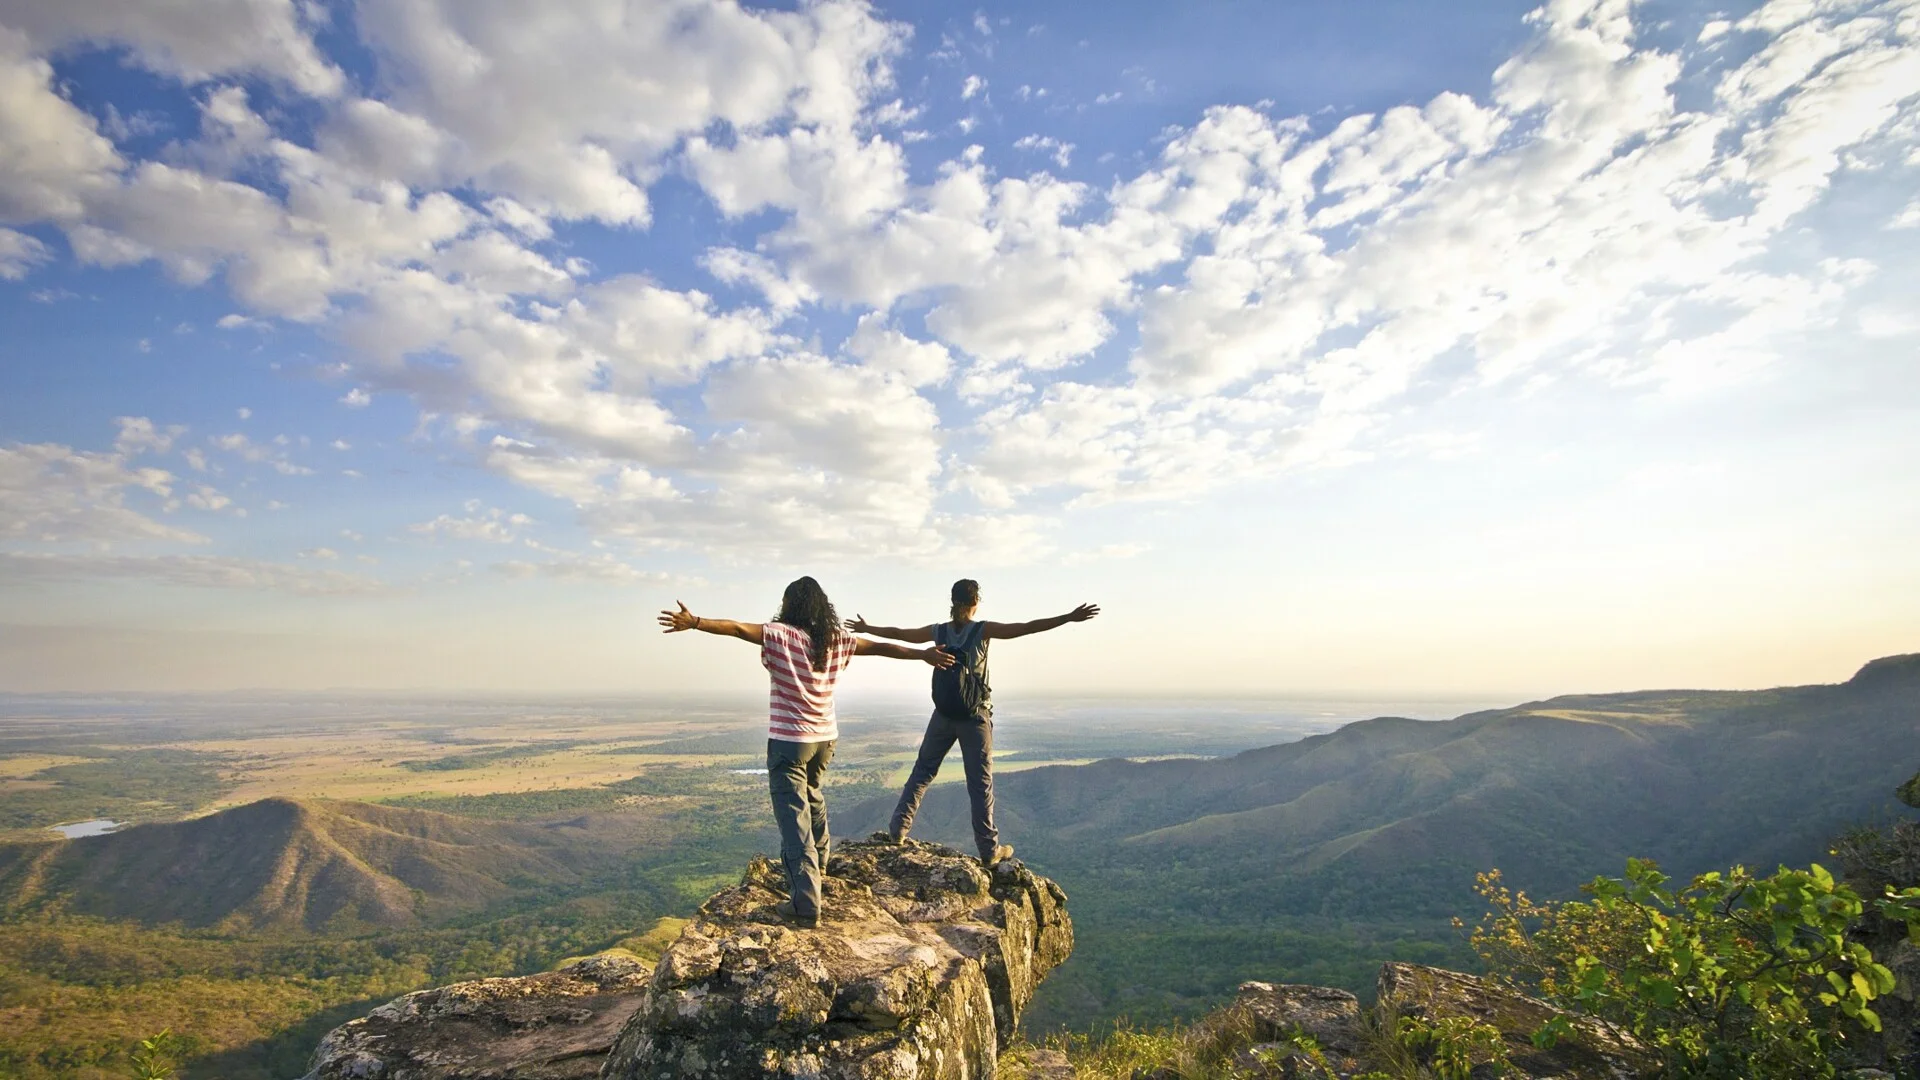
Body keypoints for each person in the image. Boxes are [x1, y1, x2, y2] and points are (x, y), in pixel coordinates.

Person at [658, 577, 953, 928]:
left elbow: (738, 629)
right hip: (825, 738)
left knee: (793, 818)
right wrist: (922, 655)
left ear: (790, 606)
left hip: (790, 741)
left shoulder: (781, 635)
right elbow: (879, 647)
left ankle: (805, 903)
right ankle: (822, 861)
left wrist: (696, 623)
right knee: (813, 795)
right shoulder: (837, 639)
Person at [849, 580, 1099, 867]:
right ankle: (990, 850)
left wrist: (868, 629)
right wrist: (1067, 618)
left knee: (922, 772)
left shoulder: (938, 631)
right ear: (975, 602)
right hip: (974, 717)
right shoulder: (983, 630)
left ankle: (897, 831)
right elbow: (1026, 627)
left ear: (952, 601)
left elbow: (899, 634)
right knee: (980, 784)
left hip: (943, 715)